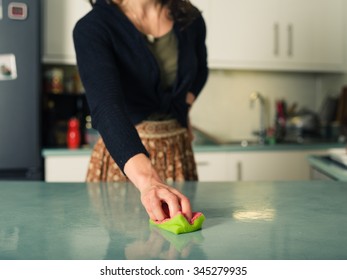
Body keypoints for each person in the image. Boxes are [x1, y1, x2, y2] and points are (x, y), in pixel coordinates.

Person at [73, 0, 208, 222]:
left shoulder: (189, 19)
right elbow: (107, 105)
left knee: (184, 246)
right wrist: (148, 181)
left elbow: (200, 71)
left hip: (178, 150)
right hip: (127, 158)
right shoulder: (93, 27)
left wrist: (184, 104)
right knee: (128, 246)